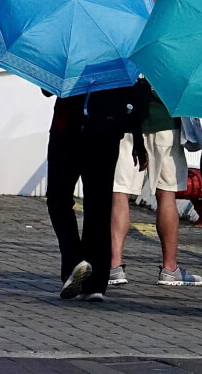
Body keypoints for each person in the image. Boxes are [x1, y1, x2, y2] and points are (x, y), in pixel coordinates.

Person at [110, 0, 202, 287]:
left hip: (125, 121)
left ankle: (116, 266)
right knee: (166, 194)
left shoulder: (124, 23)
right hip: (164, 119)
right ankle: (169, 268)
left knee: (119, 192)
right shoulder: (174, 26)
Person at [45, 86, 148, 303]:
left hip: (70, 129)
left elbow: (47, 88)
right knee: (98, 206)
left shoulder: (70, 51)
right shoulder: (116, 52)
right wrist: (137, 138)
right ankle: (95, 283)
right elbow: (132, 89)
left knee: (59, 198)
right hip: (106, 129)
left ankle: (75, 262)